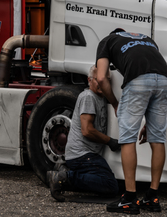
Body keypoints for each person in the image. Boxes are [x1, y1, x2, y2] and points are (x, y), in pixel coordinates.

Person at [96, 28, 167, 214]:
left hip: (137, 80)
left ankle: (129, 198)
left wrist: (114, 102)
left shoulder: (107, 40)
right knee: (157, 138)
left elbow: (101, 78)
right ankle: (152, 197)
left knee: (127, 138)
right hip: (163, 79)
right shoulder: (146, 39)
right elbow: (152, 70)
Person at [47, 65, 121, 202]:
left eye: (106, 81)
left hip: (84, 154)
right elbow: (87, 130)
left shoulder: (99, 97)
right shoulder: (89, 97)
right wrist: (110, 141)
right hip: (82, 154)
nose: (102, 84)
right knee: (110, 185)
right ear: (89, 80)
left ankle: (64, 169)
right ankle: (63, 178)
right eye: (98, 80)